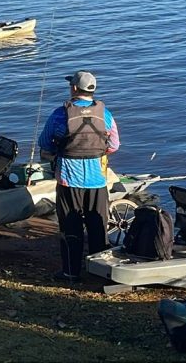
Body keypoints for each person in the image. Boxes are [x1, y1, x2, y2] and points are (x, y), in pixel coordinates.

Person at [38, 70, 120, 283]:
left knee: (70, 226)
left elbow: (45, 143)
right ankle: (100, 272)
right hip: (97, 180)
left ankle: (71, 272)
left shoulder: (59, 114)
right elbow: (114, 145)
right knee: (98, 226)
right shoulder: (106, 114)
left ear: (74, 88)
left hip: (68, 179)